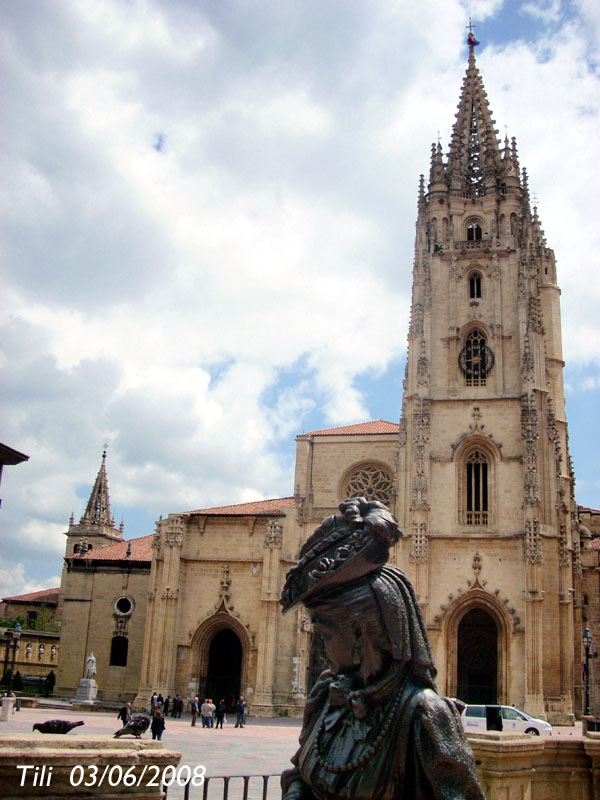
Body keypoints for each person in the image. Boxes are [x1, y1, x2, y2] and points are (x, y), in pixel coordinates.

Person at [280, 497, 486, 800]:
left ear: (359, 631)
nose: (320, 646)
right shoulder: (326, 697)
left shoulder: (422, 715)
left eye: (324, 633)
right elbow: (301, 775)